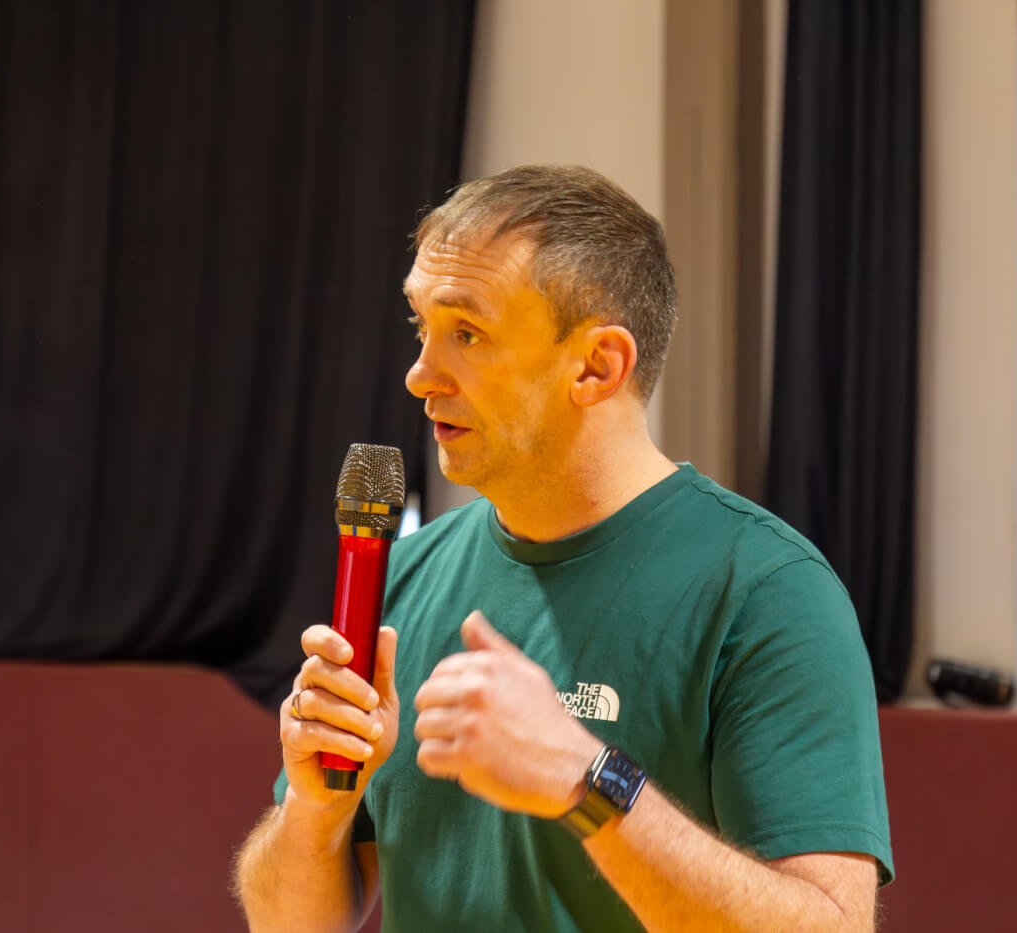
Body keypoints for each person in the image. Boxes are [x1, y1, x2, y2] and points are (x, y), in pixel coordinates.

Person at [234, 165, 892, 932]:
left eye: (467, 333)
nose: (419, 375)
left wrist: (587, 781)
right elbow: (289, 923)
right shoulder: (400, 576)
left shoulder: (768, 591)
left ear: (596, 365)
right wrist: (315, 808)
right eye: (422, 327)